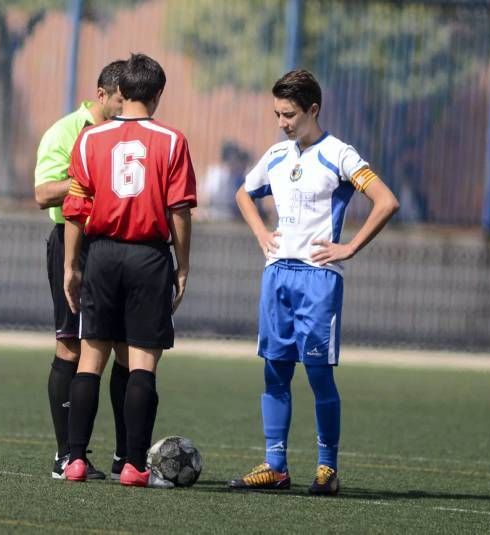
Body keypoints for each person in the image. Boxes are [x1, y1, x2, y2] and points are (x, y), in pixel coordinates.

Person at [228, 70, 399, 496]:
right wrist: (262, 235)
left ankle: (327, 469)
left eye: (289, 114)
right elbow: (243, 194)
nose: (282, 122)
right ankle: (275, 466)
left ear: (313, 110)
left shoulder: (339, 154)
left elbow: (386, 200)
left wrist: (350, 248)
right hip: (277, 275)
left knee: (319, 375)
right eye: (277, 114)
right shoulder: (276, 155)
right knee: (275, 371)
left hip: (319, 279)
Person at [61, 53, 196, 488]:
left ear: (121, 92)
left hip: (100, 254)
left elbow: (75, 209)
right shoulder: (173, 141)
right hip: (148, 258)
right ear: (157, 95)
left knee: (90, 359)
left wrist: (70, 265)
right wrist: (182, 265)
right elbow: (179, 211)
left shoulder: (89, 140)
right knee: (142, 365)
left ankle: (75, 460)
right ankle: (135, 465)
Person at [33, 59, 128, 480]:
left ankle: (126, 455)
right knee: (71, 345)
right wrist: (86, 176)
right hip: (73, 244)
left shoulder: (126, 135)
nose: (127, 110)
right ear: (102, 94)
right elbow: (41, 193)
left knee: (123, 347)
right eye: (121, 101)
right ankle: (65, 455)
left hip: (116, 247)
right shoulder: (65, 131)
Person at [201, 141, 250, 221]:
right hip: (214, 217)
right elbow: (206, 198)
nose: (236, 162)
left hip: (228, 218)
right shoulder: (215, 174)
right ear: (229, 158)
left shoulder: (234, 177)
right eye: (234, 158)